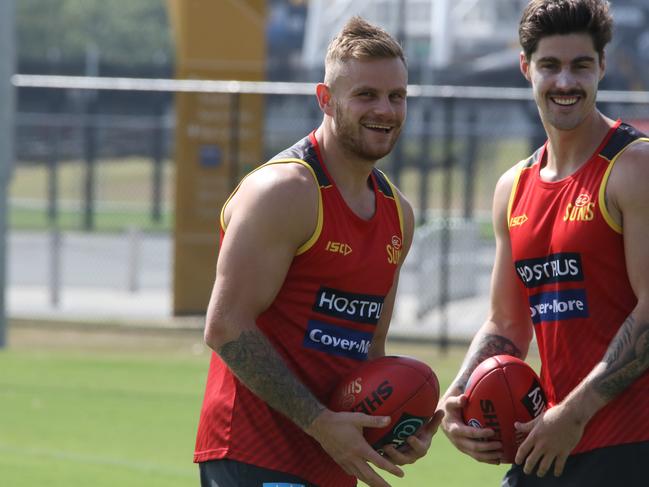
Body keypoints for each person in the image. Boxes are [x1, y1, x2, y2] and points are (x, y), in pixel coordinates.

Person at [194, 16, 441, 487]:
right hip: (254, 455)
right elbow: (225, 327)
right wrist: (319, 423)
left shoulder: (398, 214)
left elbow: (369, 352)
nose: (385, 110)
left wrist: (393, 426)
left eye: (397, 96)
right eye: (366, 95)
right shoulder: (286, 191)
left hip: (334, 460)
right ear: (325, 100)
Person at [439, 0, 649, 485]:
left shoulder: (633, 167)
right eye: (550, 65)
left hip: (631, 445)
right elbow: (507, 322)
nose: (565, 82)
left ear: (602, 66)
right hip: (546, 441)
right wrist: (459, 393)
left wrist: (575, 414)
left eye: (581, 66)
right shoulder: (512, 187)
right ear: (525, 66)